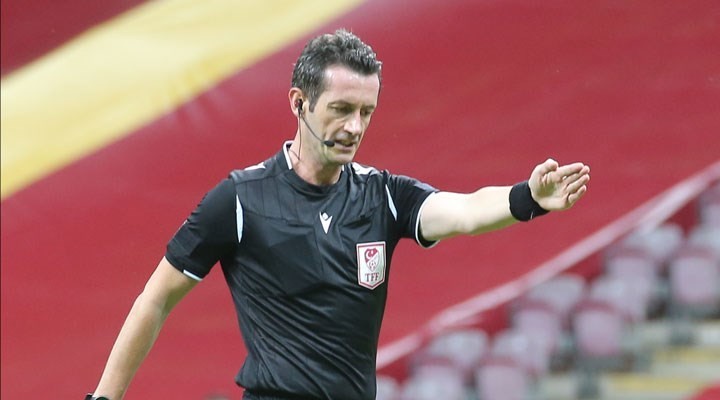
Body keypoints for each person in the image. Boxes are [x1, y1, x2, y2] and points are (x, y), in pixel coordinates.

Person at [85, 29, 590, 400]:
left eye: (366, 112)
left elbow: (464, 211)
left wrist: (526, 197)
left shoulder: (383, 196)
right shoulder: (238, 200)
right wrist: (104, 397)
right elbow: (155, 299)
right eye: (342, 109)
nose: (355, 127)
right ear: (299, 103)